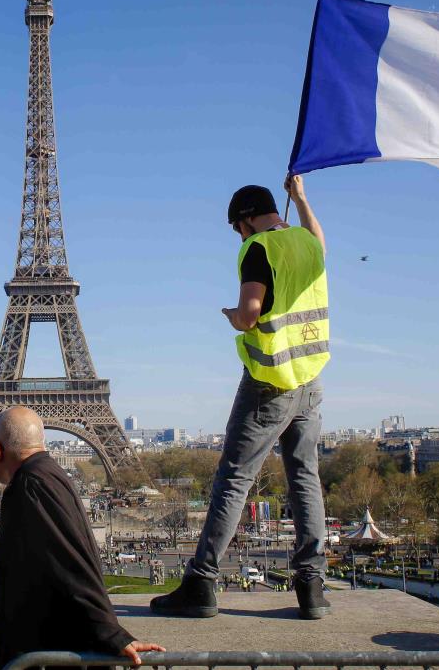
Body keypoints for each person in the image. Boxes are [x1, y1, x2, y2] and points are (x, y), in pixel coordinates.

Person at [151, 175, 331, 620]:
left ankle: (202, 581)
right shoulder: (304, 242)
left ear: (246, 219)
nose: (239, 236)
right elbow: (318, 239)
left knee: (234, 479)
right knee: (305, 478)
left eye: (237, 228)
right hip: (311, 380)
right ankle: (311, 585)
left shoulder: (258, 249)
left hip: (268, 383)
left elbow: (251, 314)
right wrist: (302, 199)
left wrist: (234, 316)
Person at [0, 407, 164, 669]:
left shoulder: (31, 484)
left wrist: (111, 633)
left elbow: (69, 559)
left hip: (24, 633)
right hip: (23, 629)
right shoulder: (48, 474)